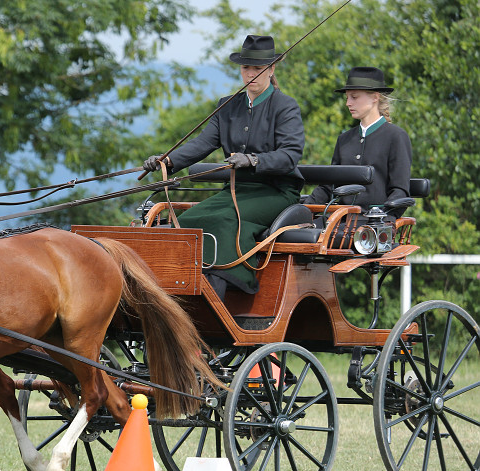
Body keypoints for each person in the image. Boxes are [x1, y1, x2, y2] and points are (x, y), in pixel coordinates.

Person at [143, 34, 305, 298]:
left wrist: (254, 160)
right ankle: (185, 284)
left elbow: (290, 155)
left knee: (222, 219)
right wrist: (167, 160)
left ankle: (225, 282)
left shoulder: (285, 106)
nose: (250, 74)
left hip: (275, 190)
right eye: (245, 68)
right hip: (236, 190)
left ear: (271, 69)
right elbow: (203, 143)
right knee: (188, 220)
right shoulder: (227, 106)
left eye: (257, 68)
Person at [302, 66, 411, 215]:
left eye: (354, 97)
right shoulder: (344, 140)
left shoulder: (396, 136)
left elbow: (400, 192)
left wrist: (380, 219)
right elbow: (329, 186)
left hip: (376, 226)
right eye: (347, 98)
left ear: (375, 97)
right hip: (340, 222)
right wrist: (301, 210)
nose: (348, 103)